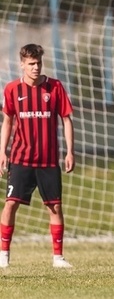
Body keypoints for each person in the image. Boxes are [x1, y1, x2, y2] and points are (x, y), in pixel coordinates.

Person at [0, 44, 74, 268]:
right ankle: (3, 255)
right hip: (21, 158)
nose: (35, 67)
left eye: (38, 63)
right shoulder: (12, 89)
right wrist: (2, 151)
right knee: (11, 203)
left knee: (55, 207)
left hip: (49, 160)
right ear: (22, 64)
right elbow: (8, 121)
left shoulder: (55, 87)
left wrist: (70, 151)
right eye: (31, 63)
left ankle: (58, 258)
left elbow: (67, 119)